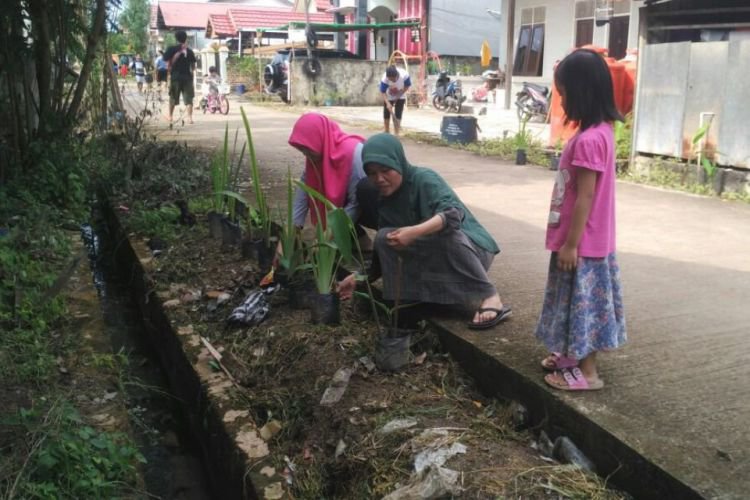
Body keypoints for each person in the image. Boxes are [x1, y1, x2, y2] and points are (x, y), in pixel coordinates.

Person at [337, 133, 511, 330]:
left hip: (470, 251)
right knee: (384, 237)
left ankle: (489, 295)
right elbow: (381, 254)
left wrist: (414, 232)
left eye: (386, 170)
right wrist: (359, 278)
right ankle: (412, 298)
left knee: (445, 233)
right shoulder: (385, 198)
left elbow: (453, 216)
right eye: (372, 173)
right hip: (436, 254)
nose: (380, 179)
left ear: (398, 162)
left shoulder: (424, 178)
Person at [535, 49, 627, 392]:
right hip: (585, 241)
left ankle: (588, 374)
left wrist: (571, 244)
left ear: (581, 92)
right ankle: (571, 356)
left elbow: (585, 196)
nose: (561, 100)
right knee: (572, 302)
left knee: (584, 306)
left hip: (582, 243)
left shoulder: (589, 140)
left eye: (564, 93)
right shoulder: (601, 131)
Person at [287, 113, 378, 241]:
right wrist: (287, 239)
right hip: (348, 206)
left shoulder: (352, 153)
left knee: (362, 192)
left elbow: (356, 203)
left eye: (307, 148)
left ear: (319, 138)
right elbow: (303, 194)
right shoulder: (316, 159)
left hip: (372, 207)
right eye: (301, 149)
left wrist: (329, 235)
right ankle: (357, 238)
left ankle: (377, 240)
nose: (305, 154)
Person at [164, 30, 196, 124]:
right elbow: (193, 66)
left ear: (176, 39)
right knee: (189, 99)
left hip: (175, 77)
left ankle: (170, 116)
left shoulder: (171, 49)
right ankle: (190, 118)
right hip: (187, 78)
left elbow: (165, 59)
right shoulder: (189, 51)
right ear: (185, 38)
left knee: (173, 97)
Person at [379, 65, 411, 136]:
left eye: (393, 79)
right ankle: (386, 131)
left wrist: (398, 96)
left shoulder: (404, 75)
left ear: (396, 75)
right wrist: (387, 103)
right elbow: (382, 91)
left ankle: (396, 133)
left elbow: (407, 86)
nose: (392, 81)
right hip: (388, 95)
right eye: (390, 79)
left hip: (400, 94)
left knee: (398, 112)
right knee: (386, 112)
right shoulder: (385, 78)